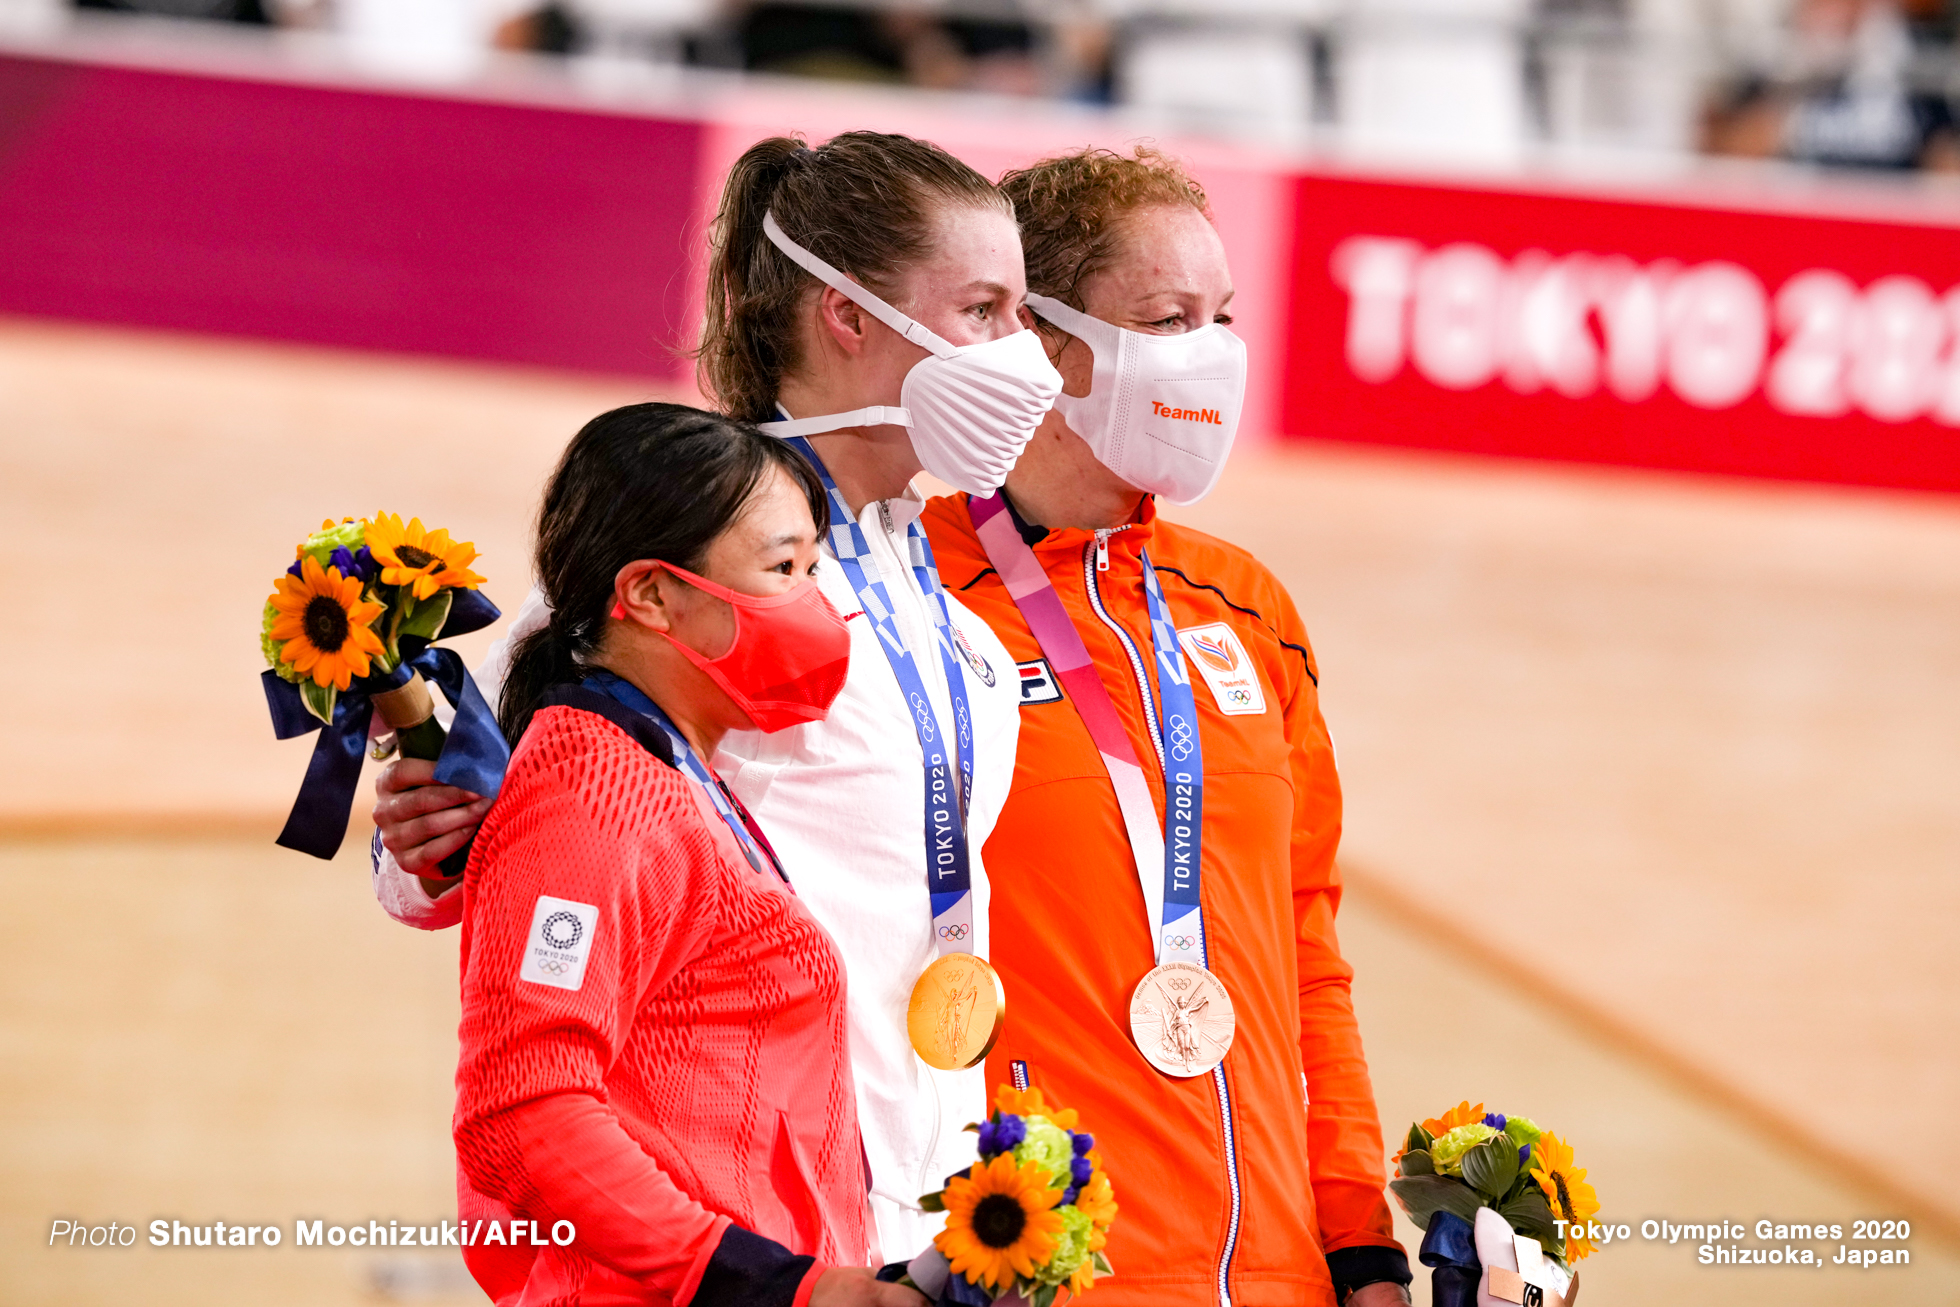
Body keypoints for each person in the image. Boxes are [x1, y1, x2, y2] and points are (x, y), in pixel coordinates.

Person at [369, 131, 1061, 1261]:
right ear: (849, 316)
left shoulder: (945, 595)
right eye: (983, 309)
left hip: (927, 1191)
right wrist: (423, 842)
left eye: (1022, 312)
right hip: (750, 1215)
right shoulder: (701, 561)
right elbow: (469, 833)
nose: (1019, 352)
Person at [914, 147, 1412, 1306]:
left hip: (1274, 1274)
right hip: (1038, 1267)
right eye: (1167, 316)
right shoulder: (909, 602)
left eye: (1222, 316)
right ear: (1039, 343)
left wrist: (1360, 1245)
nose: (1211, 354)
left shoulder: (1245, 606)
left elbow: (1307, 955)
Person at [452, 401, 922, 1307]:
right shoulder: (587, 793)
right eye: (782, 569)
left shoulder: (676, 778)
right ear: (653, 595)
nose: (816, 607)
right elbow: (526, 1106)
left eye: (815, 570)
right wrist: (776, 1286)